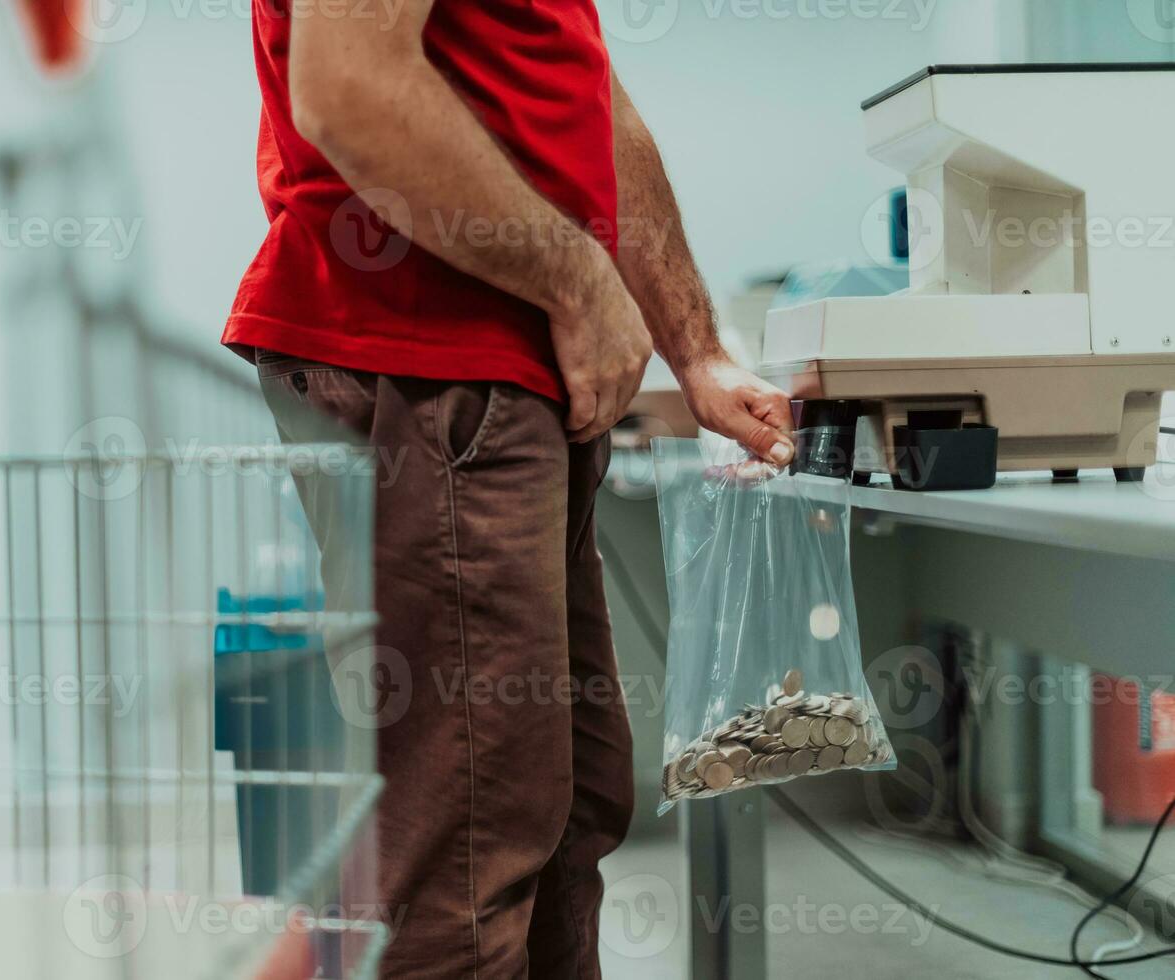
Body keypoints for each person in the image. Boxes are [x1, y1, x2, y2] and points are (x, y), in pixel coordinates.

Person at [224, 2, 796, 976]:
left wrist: (694, 345)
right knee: (464, 850)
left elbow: (584, 97)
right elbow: (349, 90)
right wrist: (578, 283)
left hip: (503, 385)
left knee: (563, 805)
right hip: (426, 364)